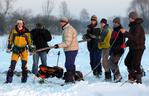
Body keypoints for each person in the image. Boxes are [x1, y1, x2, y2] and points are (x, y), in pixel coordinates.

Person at [120, 12, 145, 84]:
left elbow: (135, 38)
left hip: (139, 48)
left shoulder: (138, 27)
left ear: (133, 18)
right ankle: (132, 77)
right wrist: (126, 44)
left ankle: (138, 80)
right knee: (127, 61)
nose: (129, 19)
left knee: (135, 64)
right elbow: (131, 39)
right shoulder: (132, 26)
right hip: (133, 48)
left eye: (130, 18)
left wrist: (125, 32)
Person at [54, 17, 79, 83]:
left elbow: (67, 43)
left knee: (68, 64)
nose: (60, 23)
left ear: (66, 22)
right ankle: (72, 77)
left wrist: (58, 45)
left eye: (62, 22)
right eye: (60, 21)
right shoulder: (67, 29)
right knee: (70, 64)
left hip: (71, 49)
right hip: (71, 49)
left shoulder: (68, 30)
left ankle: (70, 79)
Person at [109, 17, 125, 83]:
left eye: (116, 23)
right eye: (114, 22)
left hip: (118, 50)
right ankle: (116, 77)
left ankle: (118, 76)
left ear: (118, 23)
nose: (114, 24)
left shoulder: (120, 30)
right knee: (113, 63)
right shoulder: (114, 30)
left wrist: (117, 48)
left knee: (111, 62)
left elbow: (122, 40)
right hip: (113, 50)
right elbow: (112, 40)